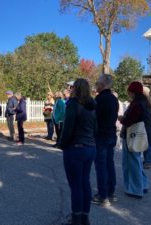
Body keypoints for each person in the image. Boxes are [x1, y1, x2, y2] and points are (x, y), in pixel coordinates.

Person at [59, 79, 97, 225]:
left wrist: (62, 145)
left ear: (75, 88)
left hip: (75, 148)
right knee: (85, 182)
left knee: (75, 185)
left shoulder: (73, 104)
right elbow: (96, 129)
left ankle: (76, 218)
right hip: (90, 148)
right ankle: (84, 217)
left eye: (72, 87)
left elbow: (67, 129)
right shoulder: (93, 106)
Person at [118, 81, 151, 199]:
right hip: (140, 136)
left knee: (131, 163)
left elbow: (130, 121)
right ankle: (143, 185)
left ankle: (135, 189)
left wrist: (121, 118)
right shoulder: (145, 102)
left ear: (133, 92)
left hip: (132, 136)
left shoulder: (137, 104)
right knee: (137, 161)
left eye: (129, 91)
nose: (128, 93)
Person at [92, 74, 119, 207]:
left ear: (103, 84)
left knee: (101, 166)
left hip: (101, 136)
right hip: (111, 135)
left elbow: (94, 118)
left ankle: (103, 196)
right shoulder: (114, 99)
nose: (96, 85)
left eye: (97, 82)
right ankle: (111, 192)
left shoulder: (100, 99)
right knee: (109, 164)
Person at [143, 86, 151, 169]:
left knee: (148, 144)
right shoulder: (150, 101)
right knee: (146, 143)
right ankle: (147, 160)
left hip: (147, 125)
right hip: (149, 125)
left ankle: (149, 161)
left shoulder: (147, 102)